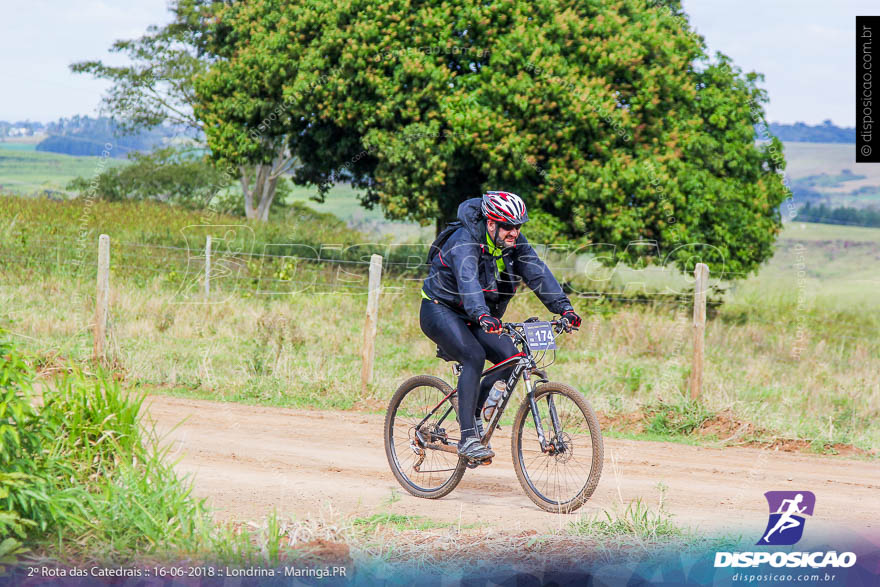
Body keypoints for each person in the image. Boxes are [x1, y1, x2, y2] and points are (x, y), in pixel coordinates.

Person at [420, 191, 581, 462]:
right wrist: (482, 314)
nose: (514, 232)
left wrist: (564, 308)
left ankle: (472, 411)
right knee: (473, 355)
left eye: (518, 226)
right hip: (440, 308)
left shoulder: (512, 240)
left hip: (475, 313)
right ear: (491, 223)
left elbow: (536, 271)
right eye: (508, 226)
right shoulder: (464, 240)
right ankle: (468, 437)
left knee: (512, 357)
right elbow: (468, 280)